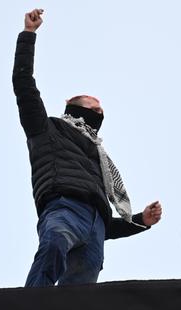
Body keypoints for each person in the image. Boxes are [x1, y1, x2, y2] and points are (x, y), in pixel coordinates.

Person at [14, 9, 162, 287]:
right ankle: (30, 306)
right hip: (64, 208)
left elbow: (104, 223)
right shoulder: (47, 129)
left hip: (96, 226)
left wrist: (142, 220)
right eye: (92, 105)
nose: (99, 109)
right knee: (54, 244)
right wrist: (28, 35)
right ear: (70, 103)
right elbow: (23, 85)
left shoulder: (99, 157)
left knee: (81, 295)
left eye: (101, 109)